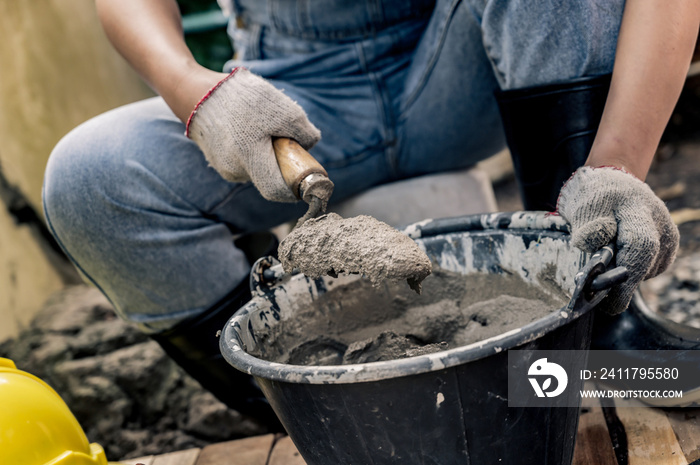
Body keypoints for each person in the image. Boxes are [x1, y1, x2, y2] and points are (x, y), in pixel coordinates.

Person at [43, 0, 699, 425]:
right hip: (293, 97)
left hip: (456, 61)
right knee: (87, 180)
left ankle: (594, 336)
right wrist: (194, 90)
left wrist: (611, 173)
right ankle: (337, 409)